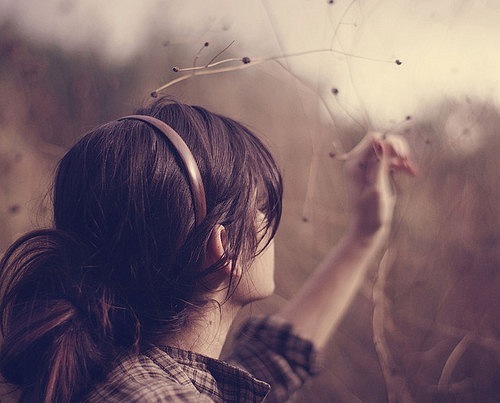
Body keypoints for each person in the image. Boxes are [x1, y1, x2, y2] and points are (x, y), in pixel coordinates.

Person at [0, 97, 414, 402]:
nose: (272, 223)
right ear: (225, 246)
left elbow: (268, 363)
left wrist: (364, 234)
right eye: (262, 207)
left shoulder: (110, 371)